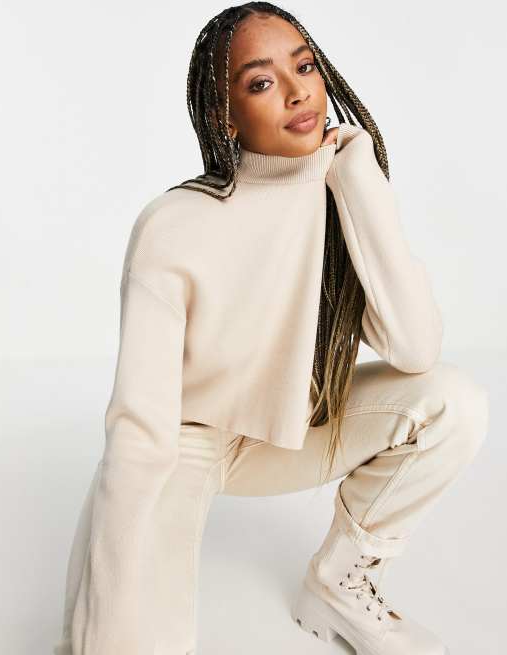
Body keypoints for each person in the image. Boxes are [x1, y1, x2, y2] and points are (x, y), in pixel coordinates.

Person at [53, 3, 489, 655]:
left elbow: (414, 346)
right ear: (225, 115)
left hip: (291, 429)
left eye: (304, 67)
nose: (295, 91)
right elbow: (141, 426)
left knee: (453, 402)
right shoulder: (174, 223)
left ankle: (339, 584)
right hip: (184, 441)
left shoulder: (341, 188)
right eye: (260, 82)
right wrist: (113, 567)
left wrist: (359, 179)